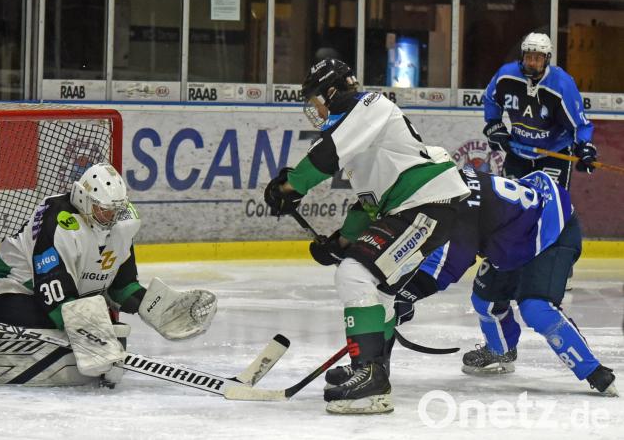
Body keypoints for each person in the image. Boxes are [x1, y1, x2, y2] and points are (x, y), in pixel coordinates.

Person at [263, 59, 470, 414]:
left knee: (355, 274)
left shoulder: (370, 105)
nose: (315, 109)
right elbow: (370, 206)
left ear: (331, 92)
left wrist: (289, 187)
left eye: (315, 100)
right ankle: (374, 367)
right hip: (419, 207)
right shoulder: (361, 140)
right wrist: (340, 242)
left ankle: (370, 375)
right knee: (380, 289)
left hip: (425, 204)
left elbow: (325, 156)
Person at [0, 162, 217, 386]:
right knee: (91, 323)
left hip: (67, 298)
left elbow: (122, 284)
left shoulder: (122, 225)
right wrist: (91, 335)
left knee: (103, 322)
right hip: (12, 293)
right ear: (84, 198)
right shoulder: (60, 220)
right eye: (104, 211)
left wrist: (152, 307)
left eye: (116, 210)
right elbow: (52, 290)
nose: (111, 218)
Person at [373, 159, 617, 397]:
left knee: (536, 309)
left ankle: (593, 370)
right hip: (516, 233)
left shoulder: (453, 209)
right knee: (486, 300)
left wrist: (407, 295)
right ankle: (501, 352)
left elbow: (450, 263)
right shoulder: (442, 185)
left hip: (553, 230)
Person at [483, 32, 597, 188]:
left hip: (554, 153)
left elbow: (579, 125)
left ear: (547, 59)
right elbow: (490, 99)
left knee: (549, 206)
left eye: (537, 58)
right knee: (510, 206)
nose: (531, 62)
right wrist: (495, 126)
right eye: (528, 57)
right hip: (518, 151)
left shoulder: (562, 85)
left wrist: (584, 148)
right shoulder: (506, 75)